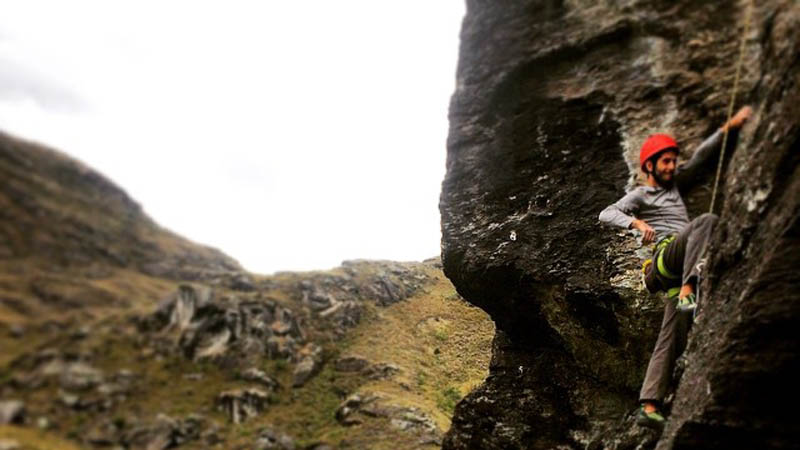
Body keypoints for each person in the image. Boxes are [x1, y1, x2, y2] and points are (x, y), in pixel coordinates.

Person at [598, 106, 752, 429]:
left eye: (672, 161)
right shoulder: (642, 194)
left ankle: (649, 404)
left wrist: (729, 127)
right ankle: (688, 288)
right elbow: (606, 213)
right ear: (650, 166)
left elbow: (701, 159)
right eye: (665, 162)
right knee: (707, 222)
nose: (671, 166)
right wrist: (636, 223)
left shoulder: (677, 186)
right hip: (665, 260)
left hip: (677, 267)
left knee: (671, 333)